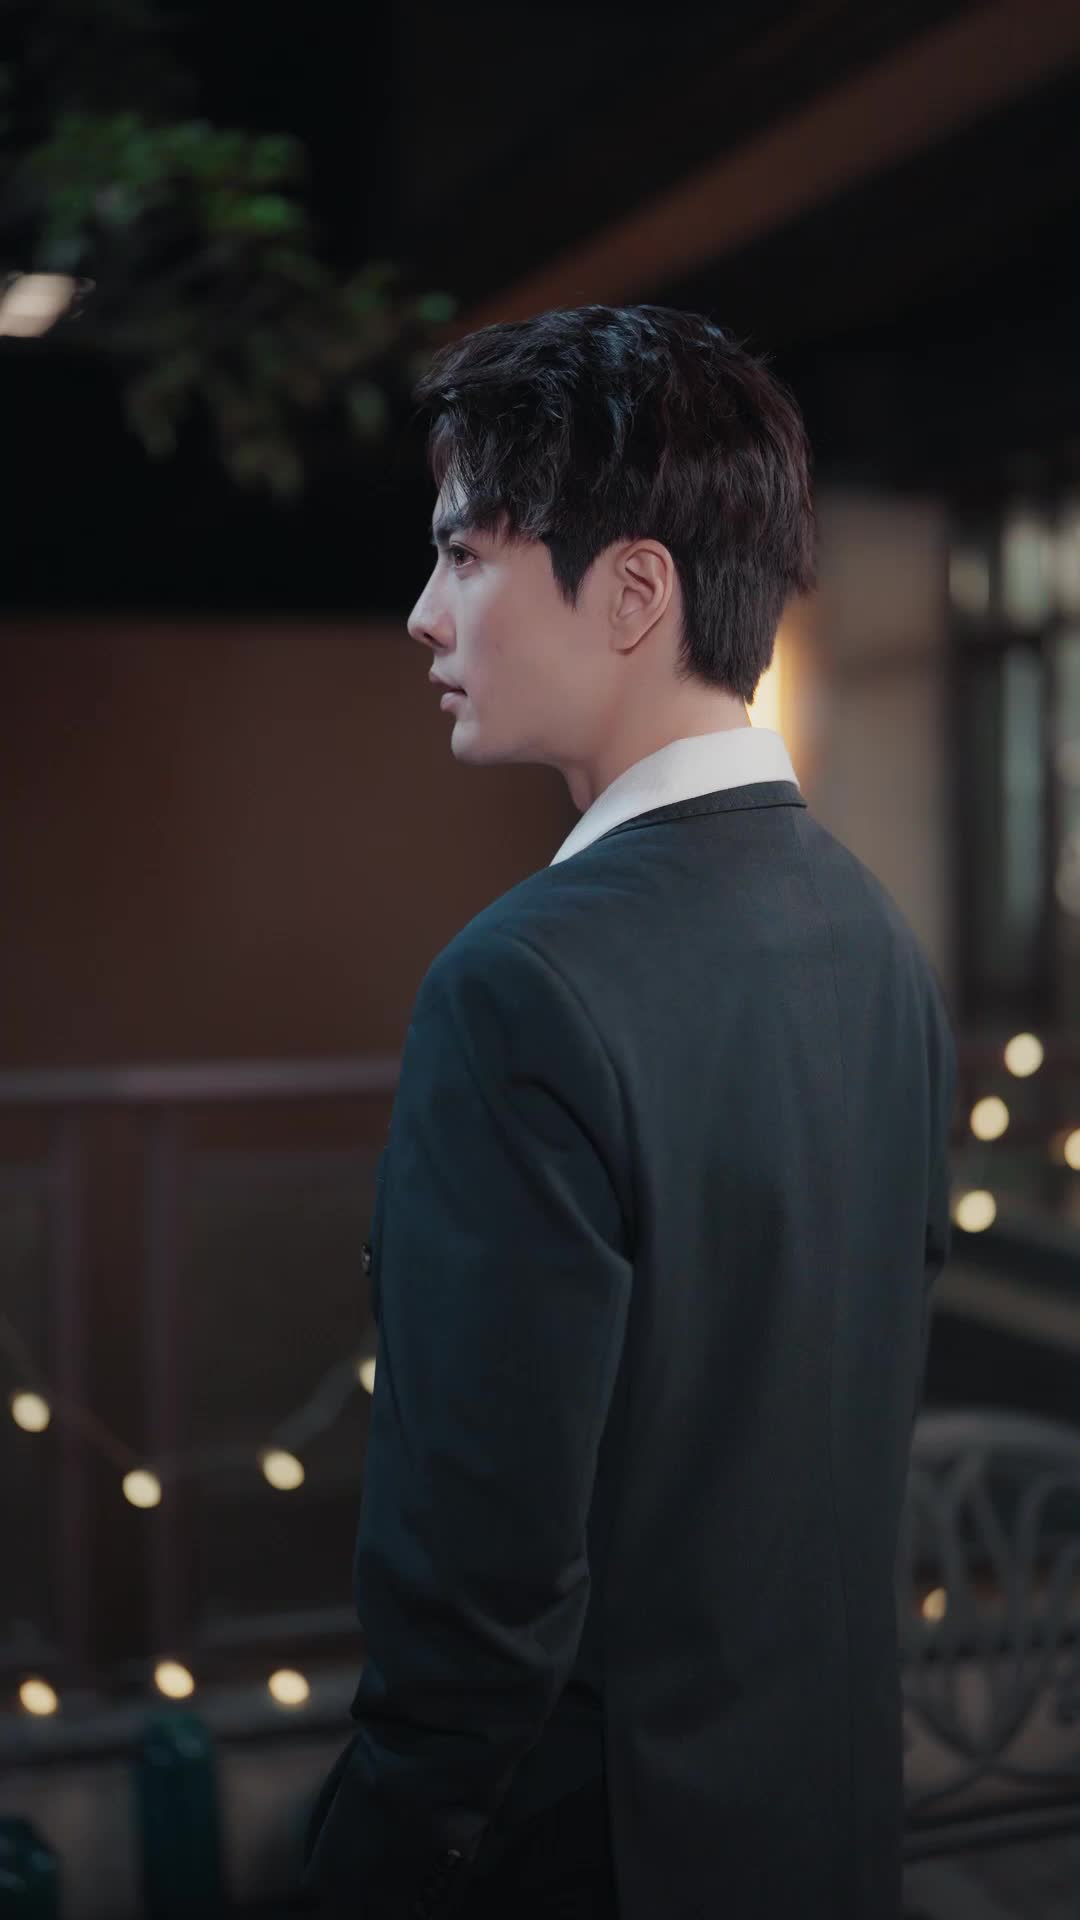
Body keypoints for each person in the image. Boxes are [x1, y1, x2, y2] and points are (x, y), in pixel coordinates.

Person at [300, 304, 957, 1918]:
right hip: (825, 1826)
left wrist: (376, 1857)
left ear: (635, 594)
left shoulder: (518, 985)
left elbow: (480, 1577)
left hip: (599, 1855)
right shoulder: (874, 936)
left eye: (467, 557)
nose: (424, 614)